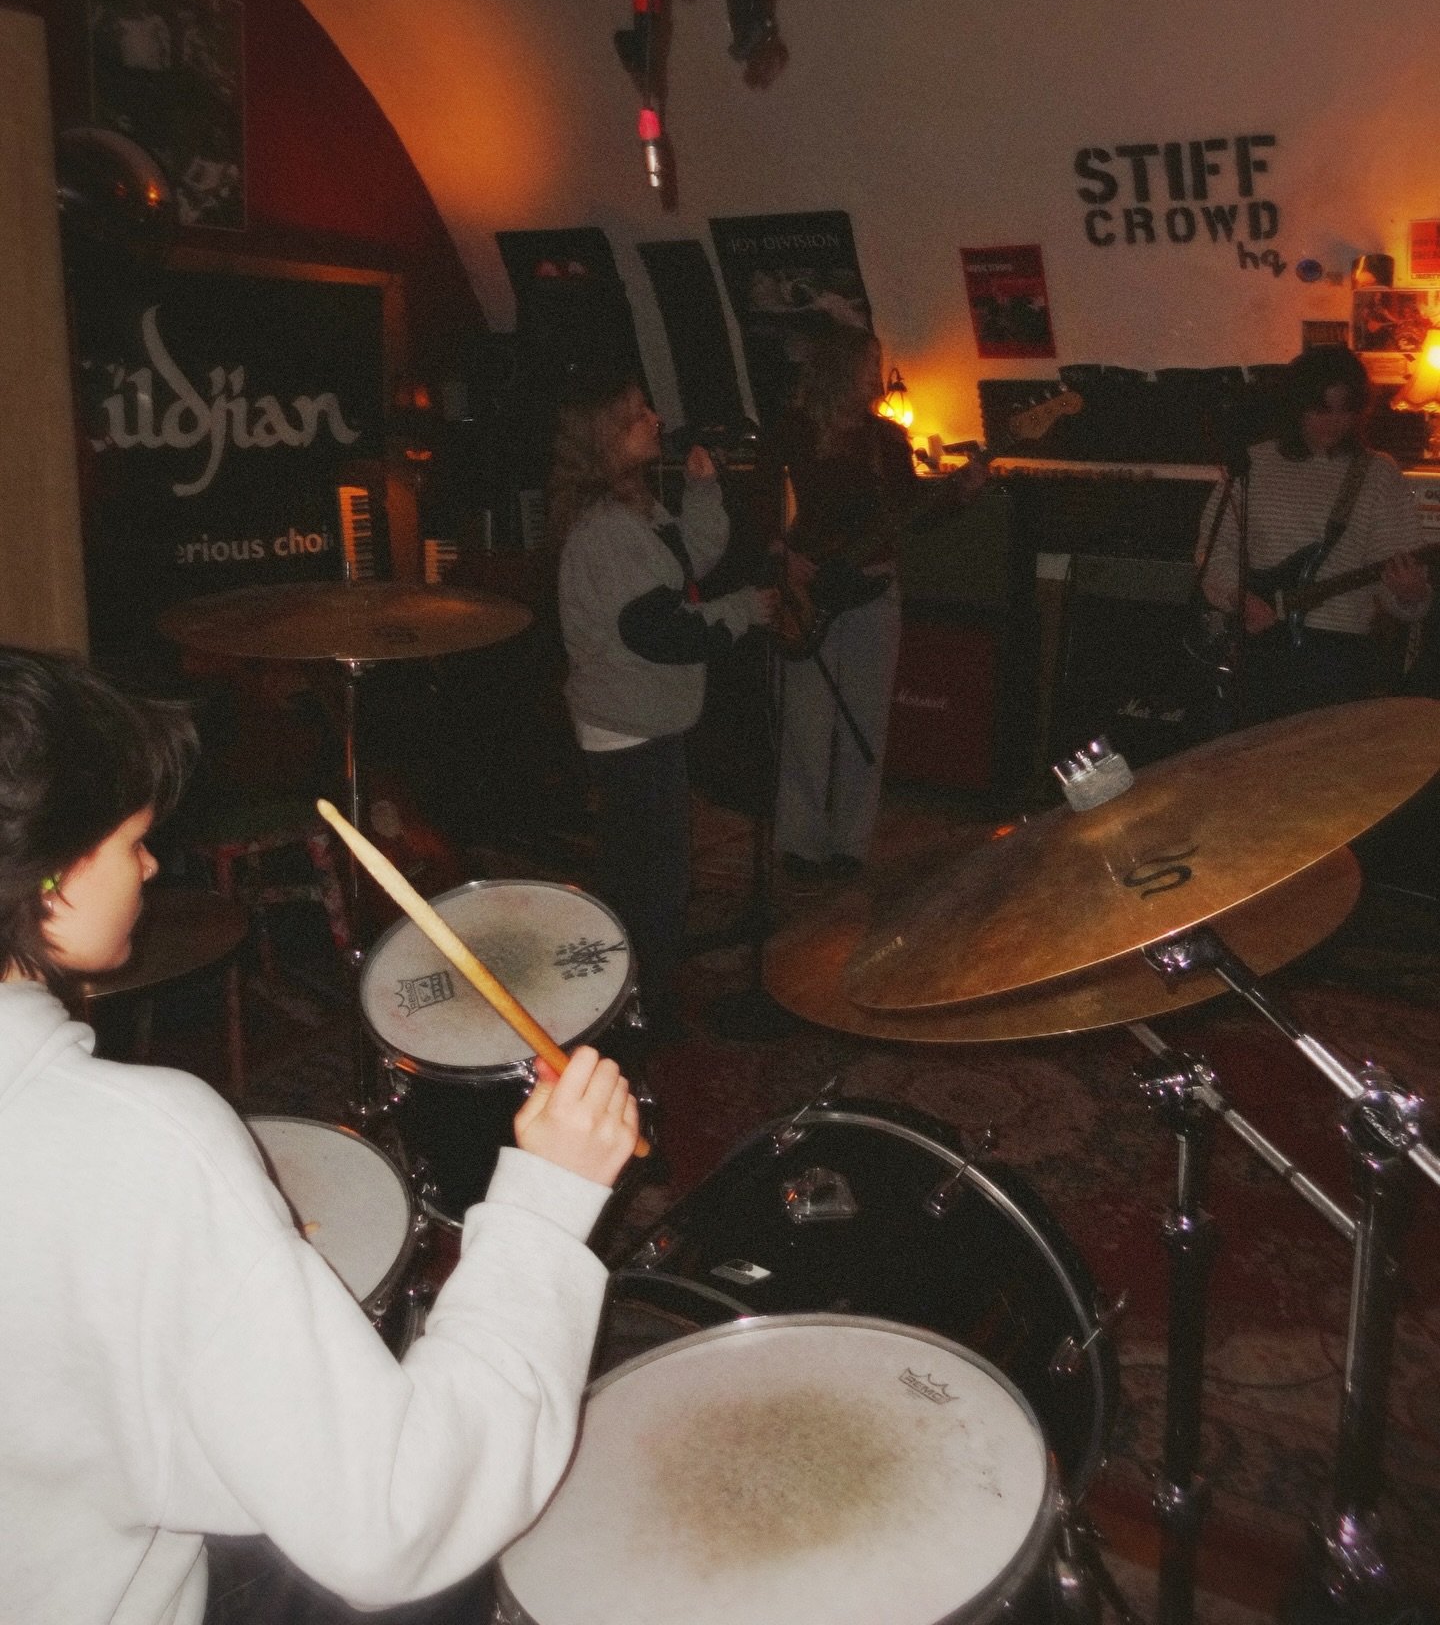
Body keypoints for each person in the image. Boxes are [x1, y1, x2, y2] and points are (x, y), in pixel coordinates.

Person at [0, 647, 639, 1625]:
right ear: (49, 879)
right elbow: (394, 1519)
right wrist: (548, 1202)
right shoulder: (144, 1143)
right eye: (131, 841)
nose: (152, 864)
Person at [549, 378, 776, 1037]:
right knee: (652, 880)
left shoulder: (634, 507)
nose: (655, 418)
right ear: (605, 439)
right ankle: (637, 1009)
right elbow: (659, 631)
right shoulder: (605, 528)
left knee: (644, 868)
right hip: (626, 726)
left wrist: (703, 489)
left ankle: (630, 993)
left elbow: (688, 562)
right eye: (636, 414)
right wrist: (741, 612)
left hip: (640, 719)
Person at [757, 324, 979, 882]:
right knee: (807, 721)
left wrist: (961, 493)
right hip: (810, 592)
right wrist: (781, 555)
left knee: (866, 719)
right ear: (841, 368)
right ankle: (801, 846)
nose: (877, 375)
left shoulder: (886, 439)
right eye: (868, 363)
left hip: (875, 588)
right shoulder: (793, 431)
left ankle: (849, 846)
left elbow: (910, 513)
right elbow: (758, 504)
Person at [1195, 345, 1431, 724]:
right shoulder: (1253, 463)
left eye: (1346, 410)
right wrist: (1238, 599)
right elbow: (1213, 550)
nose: (1335, 423)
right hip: (1258, 645)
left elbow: (1404, 589)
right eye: (1322, 409)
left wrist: (1410, 593)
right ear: (1296, 407)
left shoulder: (1377, 474)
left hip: (1338, 656)